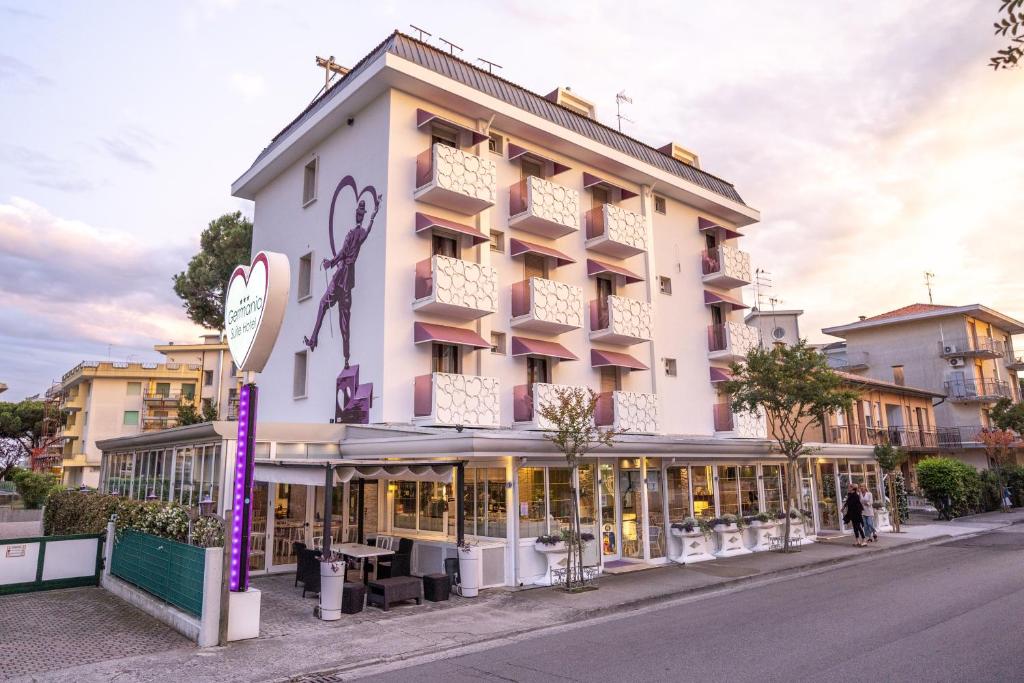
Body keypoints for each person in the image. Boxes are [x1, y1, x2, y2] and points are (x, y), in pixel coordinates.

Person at [842, 483, 867, 547]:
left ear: (852, 488)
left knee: (858, 527)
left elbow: (858, 505)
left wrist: (858, 513)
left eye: (849, 487)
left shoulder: (856, 495)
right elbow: (847, 502)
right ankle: (857, 540)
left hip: (856, 513)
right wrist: (843, 508)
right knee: (855, 527)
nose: (848, 488)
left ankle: (864, 540)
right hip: (852, 513)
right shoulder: (850, 495)